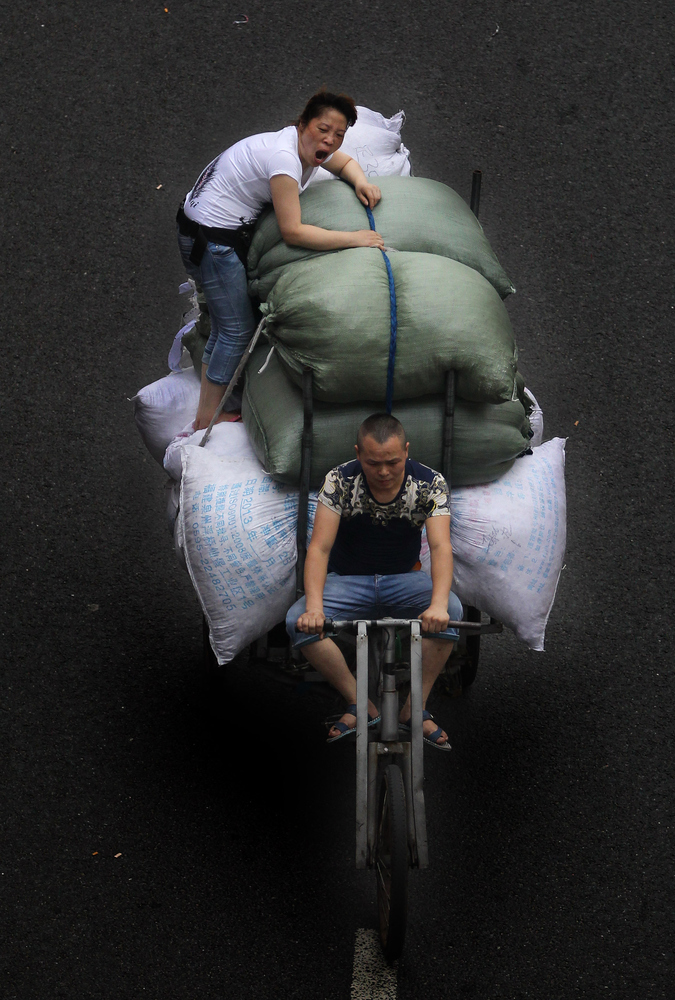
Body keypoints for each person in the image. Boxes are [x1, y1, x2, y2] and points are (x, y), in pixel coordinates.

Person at [176, 90, 385, 430]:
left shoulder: (302, 145)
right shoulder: (285, 160)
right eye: (323, 129)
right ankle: (205, 419)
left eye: (339, 134)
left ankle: (207, 408)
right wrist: (355, 239)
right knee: (236, 330)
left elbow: (344, 163)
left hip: (199, 229)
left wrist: (361, 181)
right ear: (303, 124)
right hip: (211, 239)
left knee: (225, 327)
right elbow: (293, 232)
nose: (330, 140)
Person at [286, 413, 463, 750]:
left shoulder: (430, 483)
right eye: (373, 463)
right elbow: (319, 548)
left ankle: (416, 708)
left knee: (452, 612)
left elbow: (441, 547)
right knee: (297, 621)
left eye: (393, 462)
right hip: (347, 581)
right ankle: (360, 704)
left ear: (406, 451)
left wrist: (439, 605)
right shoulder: (339, 480)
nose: (383, 472)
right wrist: (314, 608)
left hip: (403, 580)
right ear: (358, 454)